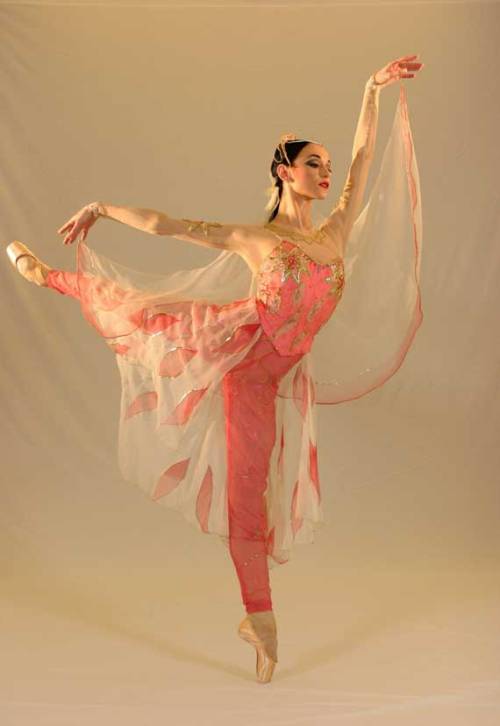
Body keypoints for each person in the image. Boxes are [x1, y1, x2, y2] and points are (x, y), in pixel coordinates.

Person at [6, 55, 424, 684]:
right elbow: (167, 226)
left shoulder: (335, 234)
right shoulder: (256, 241)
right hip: (233, 348)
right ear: (284, 172)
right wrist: (103, 206)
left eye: (326, 167)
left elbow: (364, 162)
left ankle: (256, 619)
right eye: (313, 163)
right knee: (139, 312)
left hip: (276, 378)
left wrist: (372, 91)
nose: (326, 173)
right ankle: (48, 275)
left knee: (250, 500)